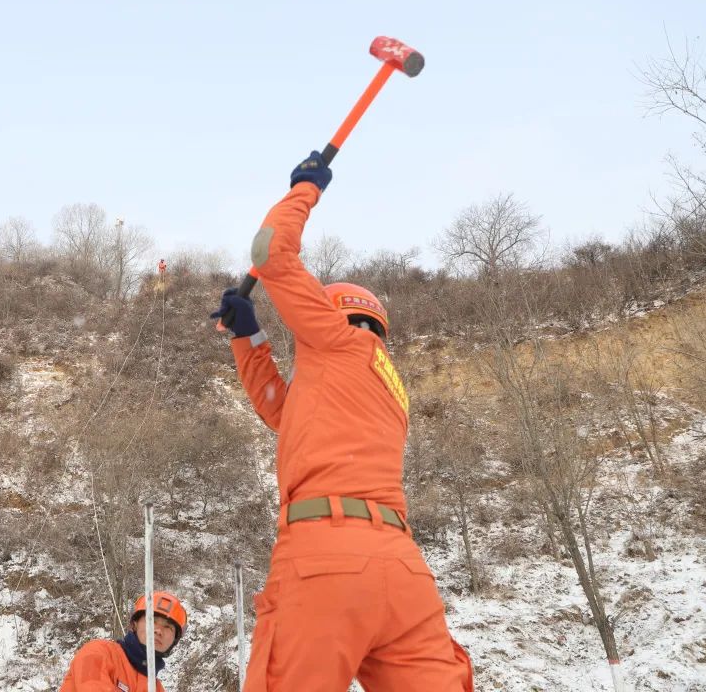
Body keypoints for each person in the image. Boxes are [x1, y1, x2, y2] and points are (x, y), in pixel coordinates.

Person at [210, 151, 473, 691]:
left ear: (335, 312)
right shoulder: (387, 385)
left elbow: (270, 250)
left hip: (326, 557)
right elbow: (285, 413)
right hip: (402, 571)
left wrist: (304, 189)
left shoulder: (335, 339)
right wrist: (248, 335)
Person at [59, 591, 187, 692]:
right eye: (152, 620)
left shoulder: (157, 689)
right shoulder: (97, 652)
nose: (158, 630)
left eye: (168, 627)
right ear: (135, 624)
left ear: (174, 641)